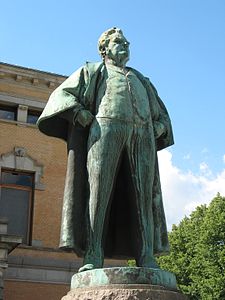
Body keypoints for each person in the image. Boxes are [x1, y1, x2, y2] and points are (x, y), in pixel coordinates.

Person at [37, 27, 174, 272]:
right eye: (118, 42)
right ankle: (92, 254)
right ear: (104, 49)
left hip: (142, 134)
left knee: (144, 198)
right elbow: (60, 96)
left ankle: (146, 257)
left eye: (126, 43)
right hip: (104, 129)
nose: (125, 46)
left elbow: (161, 114)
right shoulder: (92, 71)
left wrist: (161, 126)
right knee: (97, 194)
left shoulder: (141, 79)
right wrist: (78, 113)